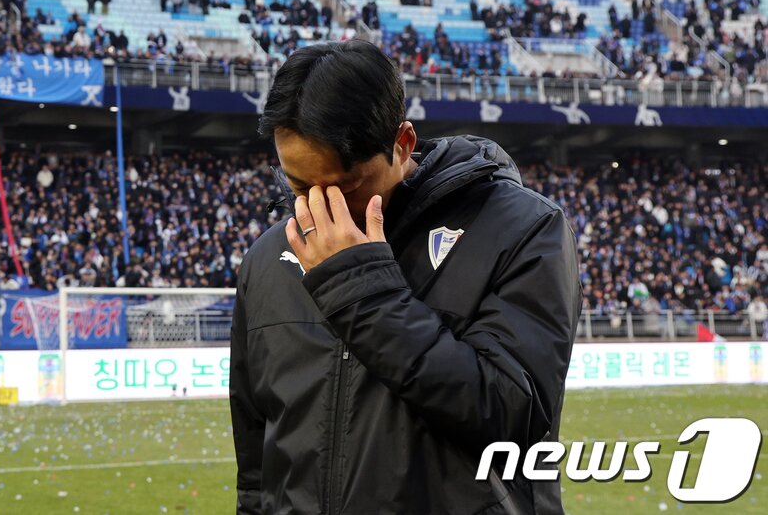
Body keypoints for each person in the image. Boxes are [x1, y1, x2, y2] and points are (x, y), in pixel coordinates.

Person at [231, 40, 580, 514]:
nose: (323, 208)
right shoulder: (268, 256)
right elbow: (258, 464)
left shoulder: (522, 228)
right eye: (298, 187)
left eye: (347, 187)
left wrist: (358, 288)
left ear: (403, 143)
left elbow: (512, 415)